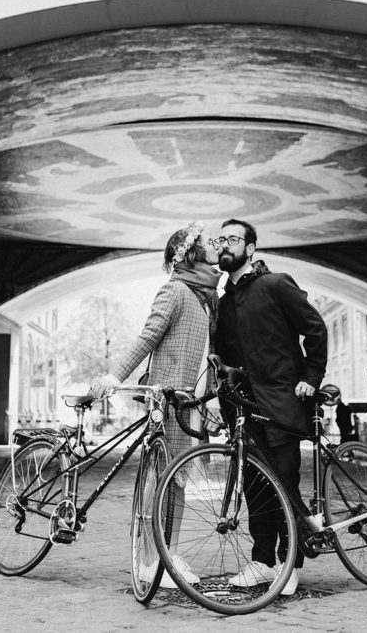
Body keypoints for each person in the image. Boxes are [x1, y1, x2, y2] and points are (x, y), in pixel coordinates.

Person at [90, 221, 221, 588]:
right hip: (167, 400)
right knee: (162, 478)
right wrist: (115, 376)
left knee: (177, 481)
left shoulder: (204, 296)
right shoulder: (176, 290)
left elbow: (209, 356)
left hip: (189, 403)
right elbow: (148, 335)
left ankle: (170, 552)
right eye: (209, 242)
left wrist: (212, 400)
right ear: (191, 251)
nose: (216, 245)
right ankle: (151, 560)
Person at [212, 218, 328, 596]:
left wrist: (311, 377)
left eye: (233, 238)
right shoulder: (223, 301)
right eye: (221, 239)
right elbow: (222, 358)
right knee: (254, 487)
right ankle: (263, 562)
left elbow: (315, 329)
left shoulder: (277, 284)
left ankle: (290, 563)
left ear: (250, 248)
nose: (225, 244)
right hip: (242, 410)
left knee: (285, 483)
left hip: (282, 403)